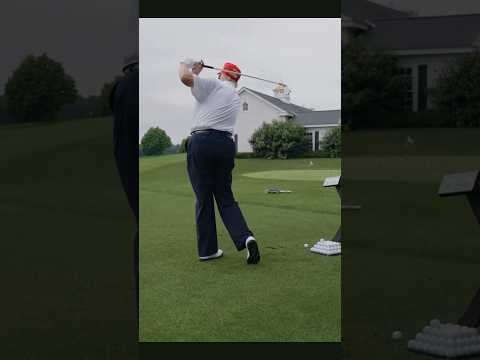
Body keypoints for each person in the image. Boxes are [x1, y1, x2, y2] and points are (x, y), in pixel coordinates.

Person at [178, 58, 260, 264]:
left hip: (202, 142)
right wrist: (196, 72)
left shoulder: (215, 85)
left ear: (223, 74)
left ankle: (208, 251)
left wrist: (185, 62)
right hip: (225, 145)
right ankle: (246, 237)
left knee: (204, 197)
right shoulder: (234, 96)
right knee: (225, 196)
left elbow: (184, 77)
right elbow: (196, 86)